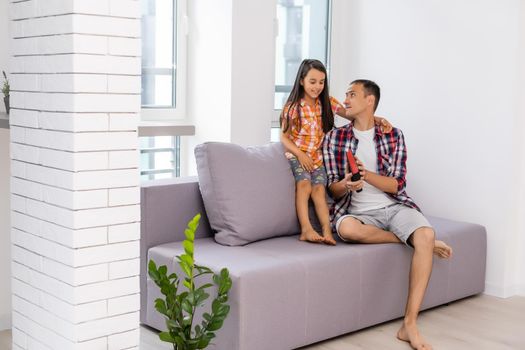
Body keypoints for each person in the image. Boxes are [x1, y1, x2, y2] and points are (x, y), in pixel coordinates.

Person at [322, 79, 453, 350]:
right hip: (355, 211)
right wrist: (346, 183)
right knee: (348, 230)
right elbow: (332, 191)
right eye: (345, 94)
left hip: (393, 206)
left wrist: (366, 175)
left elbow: (396, 185)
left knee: (425, 233)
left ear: (370, 100)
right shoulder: (335, 138)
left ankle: (410, 324)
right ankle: (410, 241)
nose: (346, 99)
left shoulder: (393, 135)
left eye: (352, 94)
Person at [280, 59, 391, 245]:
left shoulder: (328, 102)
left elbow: (350, 114)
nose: (317, 87)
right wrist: (300, 154)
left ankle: (326, 230)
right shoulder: (293, 107)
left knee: (319, 191)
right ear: (302, 81)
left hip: (317, 158)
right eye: (312, 82)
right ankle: (306, 229)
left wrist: (377, 119)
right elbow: (284, 137)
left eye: (321, 82)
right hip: (298, 156)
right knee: (304, 186)